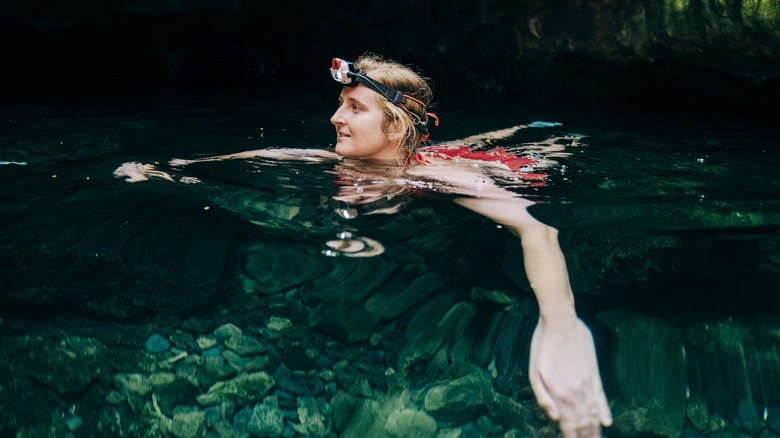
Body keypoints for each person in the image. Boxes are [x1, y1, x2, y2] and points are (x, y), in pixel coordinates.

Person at [115, 53, 612, 437]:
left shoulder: (441, 177)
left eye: (355, 108)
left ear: (394, 125)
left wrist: (560, 322)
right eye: (339, 104)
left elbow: (537, 229)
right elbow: (264, 154)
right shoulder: (334, 161)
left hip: (525, 165)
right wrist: (164, 169)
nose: (336, 117)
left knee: (545, 143)